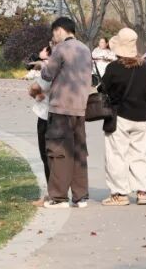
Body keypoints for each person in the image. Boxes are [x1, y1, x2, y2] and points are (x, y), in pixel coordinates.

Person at [40, 16, 93, 208]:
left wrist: (44, 62)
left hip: (61, 107)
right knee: (79, 152)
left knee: (59, 153)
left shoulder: (61, 49)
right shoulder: (85, 49)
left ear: (60, 30)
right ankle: (81, 196)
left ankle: (59, 197)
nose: (54, 37)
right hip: (80, 107)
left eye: (54, 33)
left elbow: (47, 74)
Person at [99, 28, 146, 207]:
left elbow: (103, 89)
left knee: (117, 155)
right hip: (142, 116)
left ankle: (120, 194)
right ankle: (143, 192)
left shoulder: (114, 68)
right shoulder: (144, 67)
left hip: (120, 116)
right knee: (141, 154)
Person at [27, 43, 53, 206]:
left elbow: (35, 89)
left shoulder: (49, 70)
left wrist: (34, 92)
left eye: (44, 49)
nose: (41, 50)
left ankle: (52, 194)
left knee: (46, 156)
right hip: (63, 115)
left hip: (46, 116)